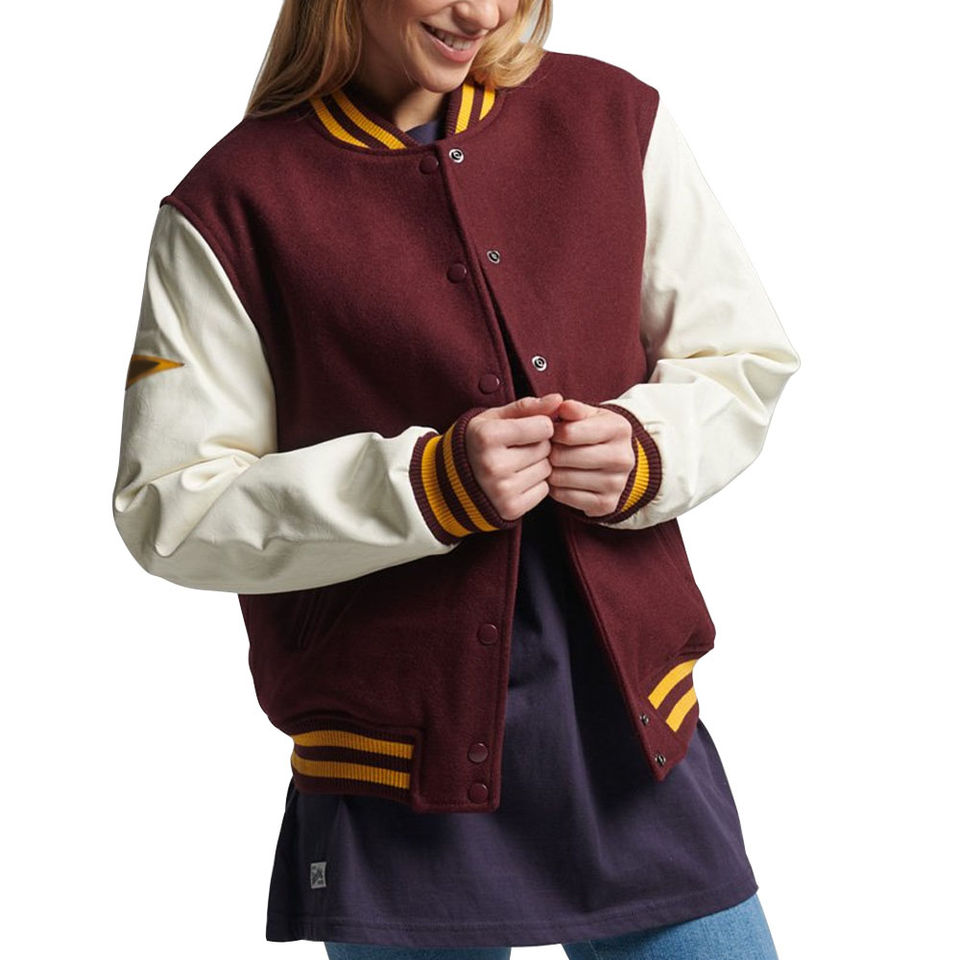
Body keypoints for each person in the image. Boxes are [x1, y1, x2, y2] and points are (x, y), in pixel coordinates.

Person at [111, 1, 800, 958]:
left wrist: (648, 448)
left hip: (633, 731)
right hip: (392, 769)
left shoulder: (614, 117)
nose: (482, 11)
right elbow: (169, 507)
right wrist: (423, 485)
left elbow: (740, 357)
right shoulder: (230, 205)